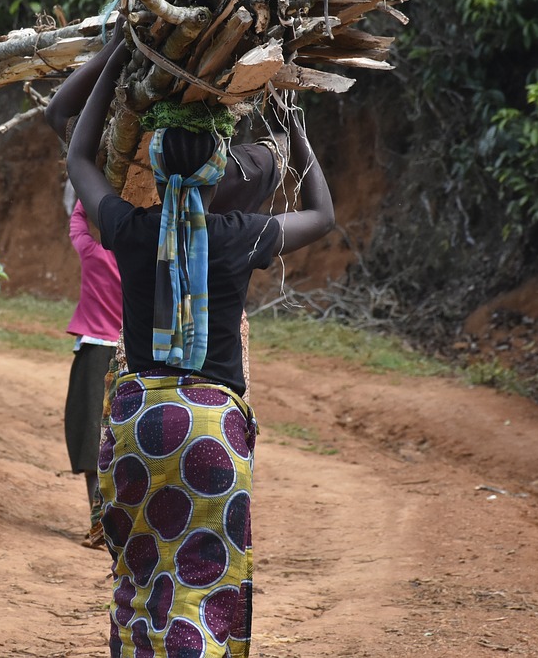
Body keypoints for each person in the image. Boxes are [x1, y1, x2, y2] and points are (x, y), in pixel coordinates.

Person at [66, 38, 334, 658]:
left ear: (155, 170)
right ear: (219, 174)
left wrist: (119, 55)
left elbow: (79, 154)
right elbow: (322, 215)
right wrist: (296, 130)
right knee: (205, 579)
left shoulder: (129, 231)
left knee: (137, 579)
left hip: (136, 420)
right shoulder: (240, 236)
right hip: (211, 422)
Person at [62, 188, 123, 548]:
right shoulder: (140, 260)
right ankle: (120, 525)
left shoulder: (92, 254)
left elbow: (76, 225)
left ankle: (98, 522)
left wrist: (88, 196)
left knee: (90, 439)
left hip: (94, 355)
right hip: (130, 356)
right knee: (120, 441)